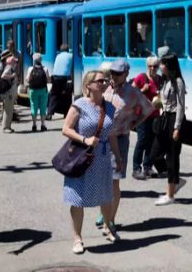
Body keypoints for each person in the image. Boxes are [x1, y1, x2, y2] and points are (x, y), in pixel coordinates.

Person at [62, 70, 122, 253]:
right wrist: (84, 139)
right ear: (88, 85)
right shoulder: (79, 105)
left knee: (106, 196)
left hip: (103, 159)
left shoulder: (110, 107)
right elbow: (66, 129)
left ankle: (107, 226)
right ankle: (77, 239)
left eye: (105, 81)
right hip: (82, 157)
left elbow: (111, 135)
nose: (104, 83)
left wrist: (118, 158)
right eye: (100, 81)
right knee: (78, 198)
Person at [98, 59, 153, 234]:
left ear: (126, 74)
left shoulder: (133, 93)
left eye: (117, 73)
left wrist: (133, 124)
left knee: (114, 181)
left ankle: (111, 219)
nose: (113, 76)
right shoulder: (104, 87)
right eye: (112, 72)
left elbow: (148, 109)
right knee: (102, 180)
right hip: (100, 140)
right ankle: (104, 212)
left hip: (119, 139)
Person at [150, 53, 186, 206]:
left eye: (163, 64)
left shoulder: (178, 82)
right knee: (154, 155)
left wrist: (177, 127)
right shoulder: (164, 81)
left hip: (173, 120)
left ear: (169, 65)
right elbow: (163, 100)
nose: (160, 66)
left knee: (172, 156)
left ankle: (170, 194)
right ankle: (176, 179)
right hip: (164, 118)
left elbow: (180, 106)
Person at [131, 56, 162, 180]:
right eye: (150, 66)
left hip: (154, 114)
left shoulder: (160, 79)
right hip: (142, 115)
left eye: (155, 66)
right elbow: (131, 93)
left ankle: (148, 166)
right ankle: (136, 168)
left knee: (152, 141)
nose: (152, 68)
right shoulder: (141, 77)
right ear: (147, 66)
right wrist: (142, 90)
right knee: (142, 141)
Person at [26, 53, 51, 131]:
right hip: (43, 90)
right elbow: (48, 80)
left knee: (34, 106)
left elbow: (27, 79)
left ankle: (34, 125)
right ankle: (43, 125)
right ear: (41, 60)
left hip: (33, 90)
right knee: (43, 107)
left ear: (33, 60)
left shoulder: (30, 69)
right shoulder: (45, 69)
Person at [48, 44, 73, 120]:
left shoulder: (58, 56)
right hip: (65, 78)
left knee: (54, 95)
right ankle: (66, 113)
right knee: (67, 96)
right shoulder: (71, 56)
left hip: (55, 77)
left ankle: (49, 113)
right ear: (68, 50)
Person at [0, 56, 19, 133]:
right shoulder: (9, 67)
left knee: (9, 110)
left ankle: (8, 126)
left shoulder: (10, 68)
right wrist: (12, 76)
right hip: (9, 93)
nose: (16, 63)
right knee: (8, 110)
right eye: (14, 62)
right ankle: (5, 127)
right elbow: (3, 76)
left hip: (10, 92)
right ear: (11, 62)